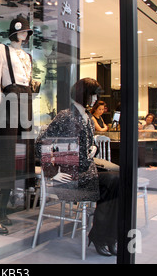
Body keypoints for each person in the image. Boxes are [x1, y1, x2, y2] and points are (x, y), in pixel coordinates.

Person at [36, 78, 119, 256]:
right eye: (93, 94)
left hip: (87, 174)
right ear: (84, 94)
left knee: (117, 184)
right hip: (70, 181)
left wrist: (94, 147)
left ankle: (105, 236)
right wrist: (52, 172)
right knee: (111, 187)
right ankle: (102, 236)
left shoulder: (87, 116)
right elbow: (41, 142)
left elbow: (88, 144)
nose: (96, 99)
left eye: (97, 95)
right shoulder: (66, 115)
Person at [0, 16, 35, 234]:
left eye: (27, 32)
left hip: (26, 102)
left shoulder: (28, 56)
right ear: (15, 31)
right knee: (3, 158)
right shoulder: (1, 50)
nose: (25, 35)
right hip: (10, 102)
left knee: (19, 158)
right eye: (23, 31)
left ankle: (2, 209)